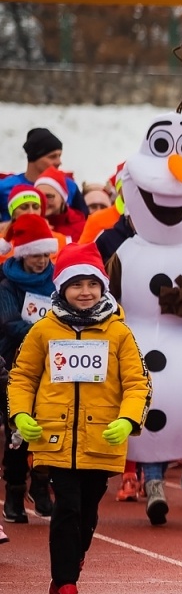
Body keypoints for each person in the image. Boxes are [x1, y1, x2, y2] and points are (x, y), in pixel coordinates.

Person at [8, 242, 150, 594]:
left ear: (103, 287)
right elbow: (22, 376)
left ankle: (73, 561)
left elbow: (138, 383)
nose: (85, 291)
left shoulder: (119, 332)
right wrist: (20, 414)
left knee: (87, 514)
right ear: (62, 288)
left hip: (102, 439)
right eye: (76, 284)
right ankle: (65, 586)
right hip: (55, 439)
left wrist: (128, 419)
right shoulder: (43, 331)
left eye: (92, 283)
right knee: (66, 507)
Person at [0, 212, 61, 524]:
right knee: (18, 428)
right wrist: (45, 332)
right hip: (14, 363)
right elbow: (9, 325)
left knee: (48, 425)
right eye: (35, 255)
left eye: (46, 255)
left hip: (52, 365)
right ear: (23, 254)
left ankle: (40, 484)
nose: (41, 261)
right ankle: (13, 489)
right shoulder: (7, 284)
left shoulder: (57, 281)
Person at [0, 128, 87, 225]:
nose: (59, 162)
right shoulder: (4, 187)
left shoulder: (69, 186)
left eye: (59, 156)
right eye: (52, 156)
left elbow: (84, 220)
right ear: (34, 158)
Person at [33, 168, 86, 244]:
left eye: (49, 196)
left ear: (63, 198)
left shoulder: (81, 227)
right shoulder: (30, 224)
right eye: (39, 196)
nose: (43, 201)